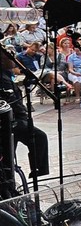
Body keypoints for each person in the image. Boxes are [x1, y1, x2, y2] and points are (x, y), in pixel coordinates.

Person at [0, 52, 48, 185]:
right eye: (10, 57)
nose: (14, 60)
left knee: (8, 155)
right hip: (12, 120)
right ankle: (37, 169)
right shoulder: (3, 78)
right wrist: (24, 116)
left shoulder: (6, 75)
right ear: (2, 61)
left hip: (13, 119)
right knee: (39, 137)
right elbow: (13, 103)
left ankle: (10, 182)